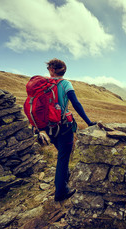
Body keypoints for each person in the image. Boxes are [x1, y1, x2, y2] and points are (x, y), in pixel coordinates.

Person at [45, 58, 96, 201]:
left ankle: (64, 178)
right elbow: (76, 103)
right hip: (63, 126)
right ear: (63, 70)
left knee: (61, 154)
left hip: (48, 127)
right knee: (63, 158)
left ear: (52, 70)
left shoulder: (44, 84)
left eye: (48, 68)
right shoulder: (65, 84)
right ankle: (60, 192)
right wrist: (88, 122)